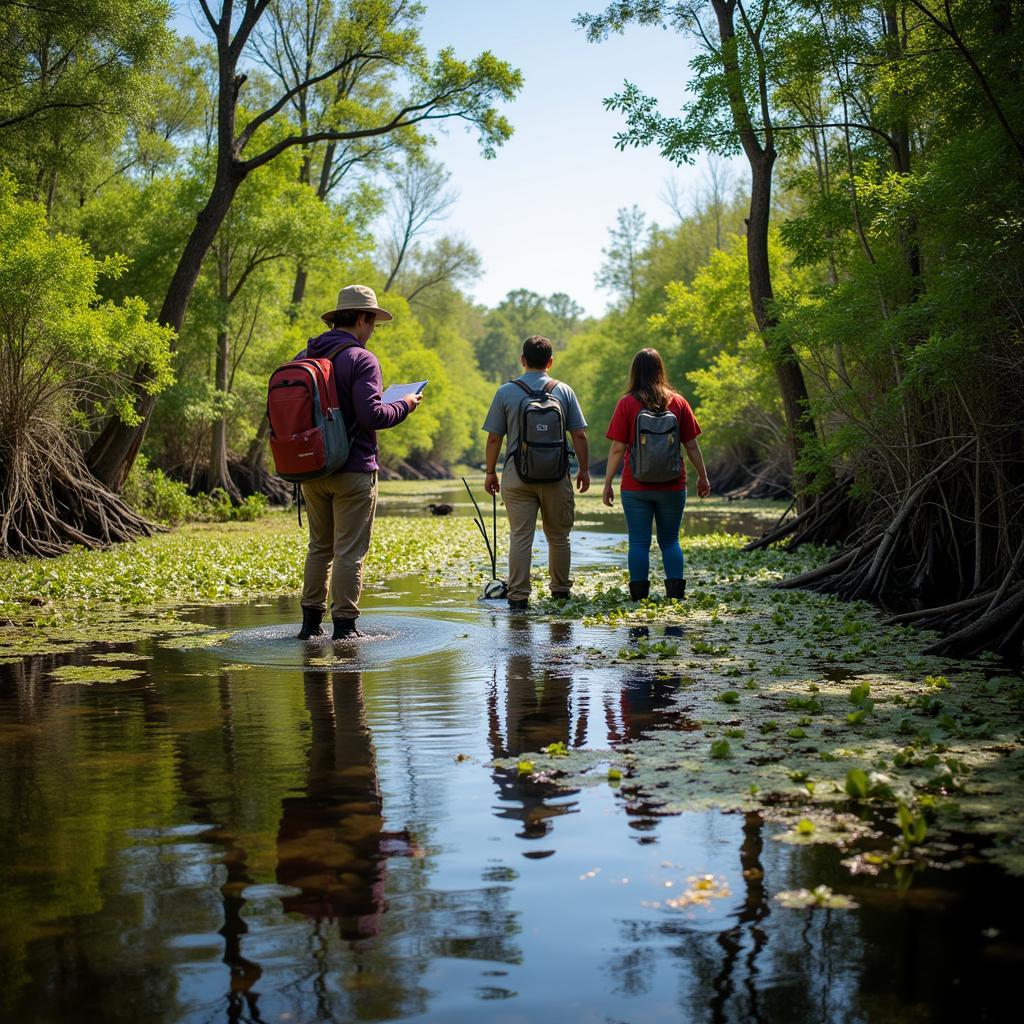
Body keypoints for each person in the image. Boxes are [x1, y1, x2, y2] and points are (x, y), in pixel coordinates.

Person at [297, 284, 421, 640]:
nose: (371, 331)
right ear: (363, 318)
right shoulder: (361, 359)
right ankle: (345, 628)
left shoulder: (304, 356)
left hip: (312, 468)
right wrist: (406, 404)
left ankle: (309, 626)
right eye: (373, 323)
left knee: (319, 547)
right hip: (353, 470)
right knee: (349, 550)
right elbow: (372, 416)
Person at [483, 336, 590, 610]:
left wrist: (490, 472)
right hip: (556, 476)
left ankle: (518, 597)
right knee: (559, 536)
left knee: (521, 536)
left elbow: (494, 438)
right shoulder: (564, 391)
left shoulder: (505, 392)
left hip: (517, 476)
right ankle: (560, 593)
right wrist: (584, 470)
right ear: (550, 362)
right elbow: (579, 434)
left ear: (523, 360)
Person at [602, 347, 710, 600]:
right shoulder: (679, 402)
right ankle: (675, 596)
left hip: (635, 486)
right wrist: (703, 476)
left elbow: (618, 448)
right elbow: (691, 445)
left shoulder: (627, 403)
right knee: (670, 541)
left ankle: (639, 597)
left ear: (635, 372)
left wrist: (607, 483)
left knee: (639, 542)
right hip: (673, 485)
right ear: (661, 370)